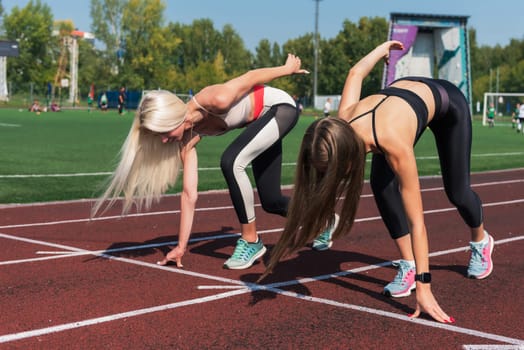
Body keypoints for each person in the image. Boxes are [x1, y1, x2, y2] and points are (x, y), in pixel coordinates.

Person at [264, 41, 494, 324]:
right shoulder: (341, 122)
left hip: (447, 105)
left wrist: (424, 287)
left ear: (349, 158)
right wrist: (380, 49)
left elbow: (417, 222)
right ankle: (407, 264)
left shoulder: (393, 142)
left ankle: (481, 240)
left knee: (457, 193)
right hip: (403, 95)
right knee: (381, 187)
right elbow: (355, 73)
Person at [92, 54, 309, 270]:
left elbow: (251, 76)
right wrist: (181, 246)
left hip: (279, 108)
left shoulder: (214, 99)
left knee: (231, 162)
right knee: (271, 202)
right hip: (261, 123)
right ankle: (321, 219)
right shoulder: (186, 140)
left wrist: (286, 68)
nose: (164, 140)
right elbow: (189, 194)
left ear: (173, 118)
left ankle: (251, 241)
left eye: (164, 132)